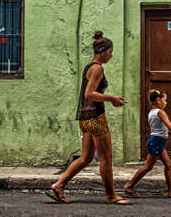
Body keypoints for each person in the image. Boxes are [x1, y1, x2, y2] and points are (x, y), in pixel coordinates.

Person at [45, 31, 132, 205]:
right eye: (110, 52)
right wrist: (112, 98)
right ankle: (111, 195)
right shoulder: (98, 68)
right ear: (102, 51)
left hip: (85, 118)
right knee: (106, 158)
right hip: (95, 118)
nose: (111, 55)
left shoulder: (89, 66)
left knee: (86, 158)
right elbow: (90, 94)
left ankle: (58, 185)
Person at [123, 89, 171, 198]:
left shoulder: (152, 112)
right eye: (165, 100)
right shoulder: (160, 112)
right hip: (156, 142)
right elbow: (170, 126)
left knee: (168, 164)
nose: (166, 102)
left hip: (157, 142)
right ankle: (129, 186)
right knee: (148, 167)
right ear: (158, 99)